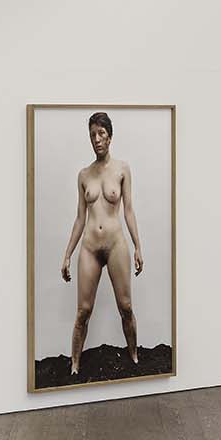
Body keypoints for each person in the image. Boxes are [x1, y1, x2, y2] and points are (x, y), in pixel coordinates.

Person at [61, 111, 143, 376]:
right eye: (92, 135)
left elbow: (128, 210)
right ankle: (74, 365)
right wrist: (67, 254)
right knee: (83, 311)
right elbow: (79, 218)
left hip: (115, 243)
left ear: (110, 136)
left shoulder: (122, 169)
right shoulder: (84, 175)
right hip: (90, 247)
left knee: (126, 307)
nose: (96, 139)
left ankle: (134, 356)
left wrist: (138, 246)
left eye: (101, 134)